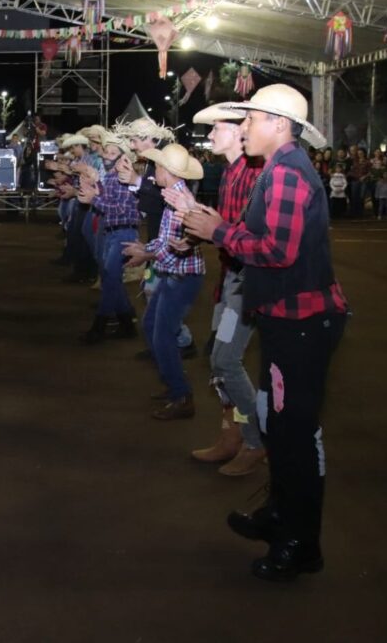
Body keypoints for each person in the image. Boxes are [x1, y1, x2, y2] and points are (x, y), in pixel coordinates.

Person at [180, 84, 348, 582]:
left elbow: (278, 251)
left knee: (293, 434)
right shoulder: (279, 170)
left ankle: (300, 544)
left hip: (301, 322)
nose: (243, 127)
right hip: (287, 318)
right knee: (280, 426)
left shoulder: (288, 175)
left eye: (250, 119)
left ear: (279, 125)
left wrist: (218, 232)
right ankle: (281, 518)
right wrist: (223, 227)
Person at [180, 103, 266, 475]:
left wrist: (204, 224)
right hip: (232, 279)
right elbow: (227, 229)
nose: (211, 135)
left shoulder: (252, 173)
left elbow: (242, 235)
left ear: (238, 130)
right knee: (219, 360)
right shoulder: (234, 173)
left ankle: (254, 441)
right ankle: (233, 433)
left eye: (217, 129)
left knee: (226, 361)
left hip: (245, 282)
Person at [122, 144, 205, 419]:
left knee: (161, 334)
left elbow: (170, 245)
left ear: (166, 171)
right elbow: (167, 240)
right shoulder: (174, 195)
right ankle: (174, 386)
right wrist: (146, 251)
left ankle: (181, 394)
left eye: (157, 167)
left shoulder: (177, 199)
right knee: (154, 328)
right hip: (178, 275)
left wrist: (144, 252)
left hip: (181, 276)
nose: (153, 171)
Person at [76, 132, 139, 343]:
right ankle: (126, 322)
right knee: (111, 278)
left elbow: (119, 209)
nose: (107, 155)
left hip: (123, 231)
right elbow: (107, 201)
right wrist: (96, 188)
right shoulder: (113, 177)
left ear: (122, 157)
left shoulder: (122, 177)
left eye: (113, 153)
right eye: (107, 151)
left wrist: (94, 196)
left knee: (110, 279)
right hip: (114, 231)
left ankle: (100, 326)